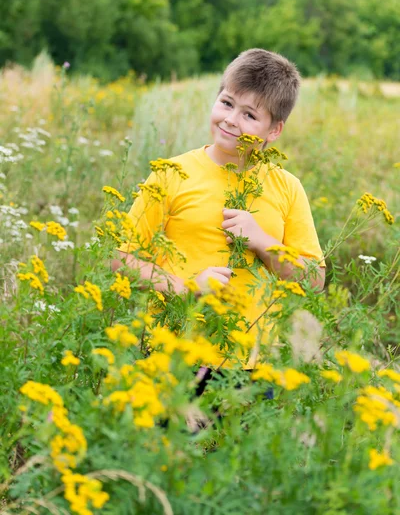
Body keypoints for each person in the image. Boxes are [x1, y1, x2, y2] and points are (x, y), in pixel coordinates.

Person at [112, 48, 325, 352]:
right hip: (171, 353)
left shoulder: (287, 187)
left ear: (275, 130)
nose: (230, 120)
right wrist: (184, 288)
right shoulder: (170, 174)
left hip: (249, 367)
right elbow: (120, 257)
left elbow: (314, 281)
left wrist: (262, 242)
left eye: (249, 115)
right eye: (226, 103)